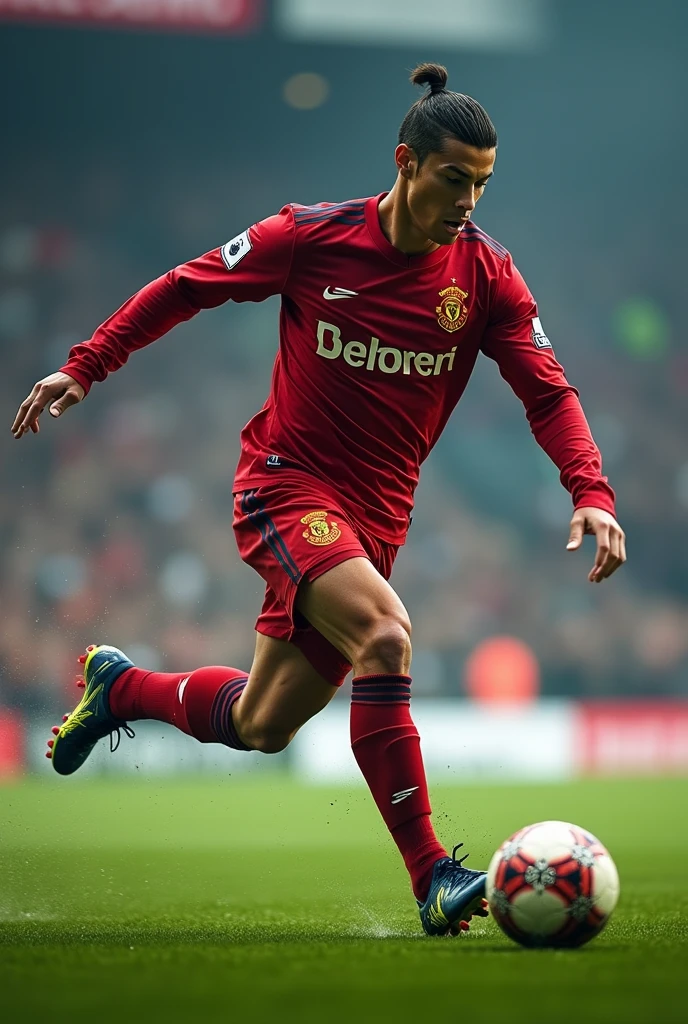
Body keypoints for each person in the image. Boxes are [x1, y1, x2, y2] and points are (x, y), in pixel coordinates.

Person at [11, 63, 626, 937]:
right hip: (284, 486)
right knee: (386, 634)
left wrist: (590, 491)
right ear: (407, 162)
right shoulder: (310, 237)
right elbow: (186, 285)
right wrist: (85, 364)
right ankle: (432, 876)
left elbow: (549, 391)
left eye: (484, 184)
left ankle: (122, 689)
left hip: (375, 523)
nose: (470, 201)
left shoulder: (486, 277)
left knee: (261, 725)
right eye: (455, 179)